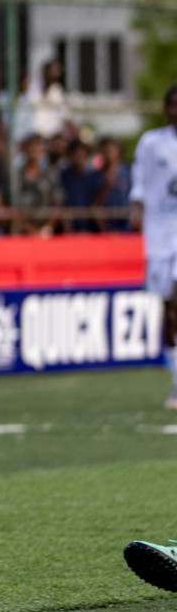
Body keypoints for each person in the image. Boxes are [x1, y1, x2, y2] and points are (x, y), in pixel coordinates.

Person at [130, 84, 177, 411]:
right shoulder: (151, 142)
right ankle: (175, 380)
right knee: (169, 308)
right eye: (172, 104)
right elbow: (139, 181)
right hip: (159, 232)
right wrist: (136, 206)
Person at [94, 137, 131, 232]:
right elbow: (96, 203)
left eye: (112, 148)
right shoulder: (96, 175)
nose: (109, 151)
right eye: (106, 148)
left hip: (126, 221)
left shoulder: (128, 171)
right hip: (106, 222)